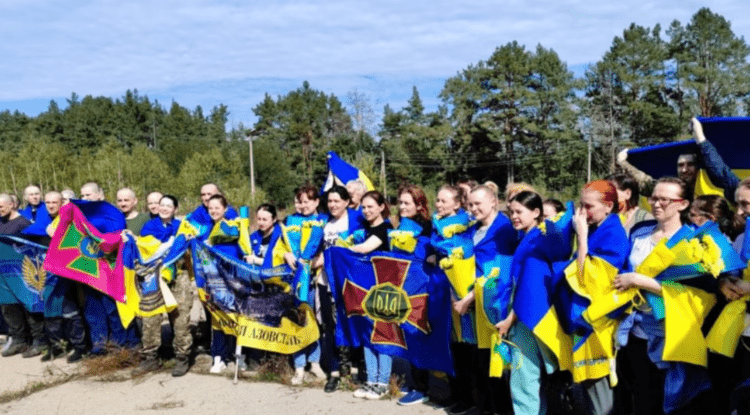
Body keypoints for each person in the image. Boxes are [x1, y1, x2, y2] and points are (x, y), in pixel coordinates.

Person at [613, 177, 712, 415]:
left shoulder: (695, 241)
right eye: (653, 198)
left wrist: (640, 281)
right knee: (639, 398)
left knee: (669, 401)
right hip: (634, 330)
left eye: (664, 200)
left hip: (672, 336)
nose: (656, 204)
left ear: (683, 204)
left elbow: (700, 294)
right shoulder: (639, 232)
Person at [453, 185, 518, 414]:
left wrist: (471, 296)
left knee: (497, 360)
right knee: (478, 358)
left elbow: (500, 273)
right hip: (474, 305)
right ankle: (484, 406)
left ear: (493, 201)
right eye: (470, 204)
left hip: (494, 304)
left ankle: (501, 408)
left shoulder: (504, 230)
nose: (473, 208)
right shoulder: (473, 229)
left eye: (478, 204)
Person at [568, 180, 629, 414]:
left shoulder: (612, 234)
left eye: (589, 206)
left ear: (609, 206)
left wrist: (582, 237)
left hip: (600, 321)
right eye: (581, 205)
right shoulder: (595, 227)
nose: (583, 213)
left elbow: (587, 280)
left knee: (600, 395)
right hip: (584, 319)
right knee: (585, 391)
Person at [503, 190, 558, 415]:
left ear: (536, 212)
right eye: (511, 212)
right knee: (531, 377)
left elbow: (529, 287)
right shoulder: (529, 238)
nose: (514, 216)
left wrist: (510, 318)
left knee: (524, 377)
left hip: (527, 316)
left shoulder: (536, 241)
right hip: (531, 315)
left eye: (519, 212)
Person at [309, 185, 365, 392]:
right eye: (330, 201)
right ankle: (333, 372)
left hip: (349, 282)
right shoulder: (323, 222)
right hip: (326, 281)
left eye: (337, 201)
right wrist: (313, 260)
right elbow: (314, 250)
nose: (332, 205)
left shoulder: (356, 220)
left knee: (352, 323)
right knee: (329, 327)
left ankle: (355, 368)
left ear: (347, 202)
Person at [133, 194, 192, 377]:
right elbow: (145, 252)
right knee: (150, 317)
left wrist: (187, 240)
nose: (164, 208)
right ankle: (151, 357)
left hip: (178, 276)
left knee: (180, 316)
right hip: (153, 275)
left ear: (175, 209)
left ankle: (182, 356)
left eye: (168, 205)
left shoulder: (182, 227)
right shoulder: (149, 227)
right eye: (162, 205)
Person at [79, 182, 140, 354]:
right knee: (93, 310)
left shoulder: (112, 214)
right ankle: (99, 345)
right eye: (82, 195)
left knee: (113, 309)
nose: (84, 198)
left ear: (100, 195)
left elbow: (114, 238)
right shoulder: (81, 214)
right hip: (89, 267)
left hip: (110, 268)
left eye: (88, 195)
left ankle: (120, 344)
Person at [393, 184, 437, 406]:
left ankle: (423, 388)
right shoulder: (400, 226)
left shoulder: (429, 228)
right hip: (404, 288)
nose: (402, 207)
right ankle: (414, 381)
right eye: (400, 202)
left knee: (418, 335)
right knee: (408, 336)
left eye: (406, 203)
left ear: (419, 205)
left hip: (422, 289)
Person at [349, 191, 394, 400]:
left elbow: (365, 249)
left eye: (370, 207)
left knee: (383, 334)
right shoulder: (365, 229)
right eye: (364, 207)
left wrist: (340, 249)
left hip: (384, 289)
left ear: (382, 207)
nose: (366, 211)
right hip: (366, 289)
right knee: (368, 334)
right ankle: (371, 380)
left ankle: (383, 383)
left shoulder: (385, 229)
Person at [283, 185, 325, 386]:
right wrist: (285, 254)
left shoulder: (323, 221)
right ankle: (299, 365)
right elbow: (279, 245)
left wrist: (316, 262)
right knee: (297, 321)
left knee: (313, 321)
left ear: (316, 202)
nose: (303, 205)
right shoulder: (289, 221)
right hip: (294, 280)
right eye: (299, 201)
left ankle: (315, 362)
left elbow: (329, 247)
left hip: (314, 280)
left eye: (307, 201)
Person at [40, 191, 87, 363]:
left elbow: (74, 243)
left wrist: (55, 233)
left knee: (70, 311)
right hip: (47, 274)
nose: (51, 205)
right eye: (48, 202)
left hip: (66, 274)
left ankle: (79, 347)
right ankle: (57, 346)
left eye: (54, 202)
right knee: (50, 311)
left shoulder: (69, 220)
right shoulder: (44, 221)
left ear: (61, 203)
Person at [0, 193, 47, 358]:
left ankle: (40, 341)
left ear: (12, 204)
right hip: (4, 275)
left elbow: (35, 247)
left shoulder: (24, 223)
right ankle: (19, 340)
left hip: (22, 274)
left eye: (1, 206)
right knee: (8, 307)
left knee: (29, 306)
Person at [205, 194, 241, 373]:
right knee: (217, 317)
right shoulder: (206, 228)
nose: (213, 211)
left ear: (225, 209)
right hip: (213, 279)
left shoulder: (232, 227)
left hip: (232, 278)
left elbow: (240, 250)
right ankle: (218, 356)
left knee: (235, 315)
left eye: (217, 208)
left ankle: (237, 354)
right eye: (210, 208)